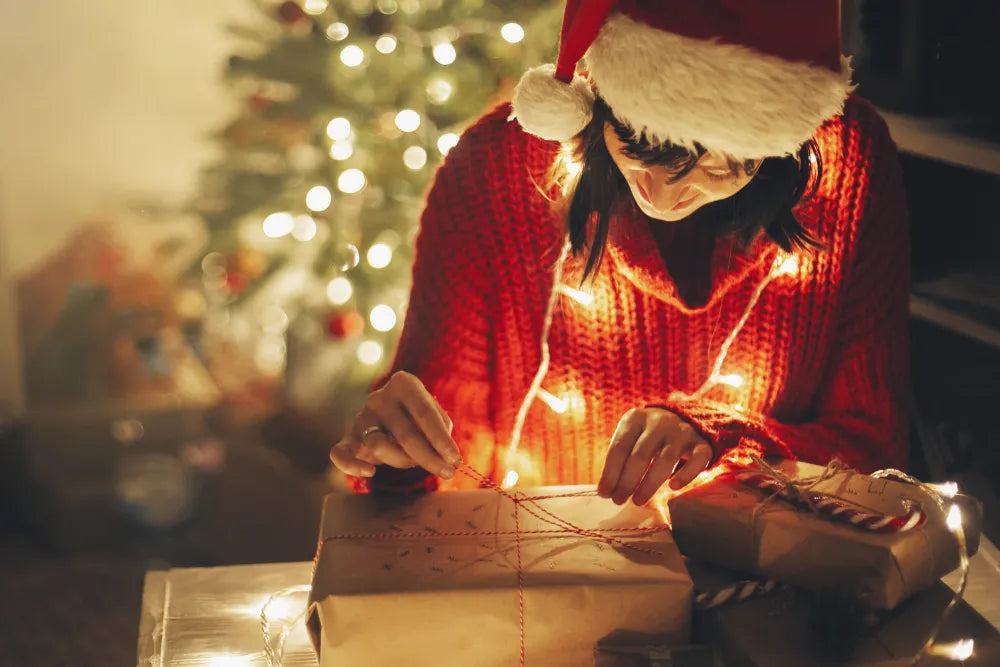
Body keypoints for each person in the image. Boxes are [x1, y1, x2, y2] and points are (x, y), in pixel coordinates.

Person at [329, 0, 909, 506]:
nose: (664, 194)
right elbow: (440, 449)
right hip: (537, 584)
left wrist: (725, 437)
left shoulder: (846, 167)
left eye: (722, 164)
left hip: (763, 589)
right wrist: (398, 458)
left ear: (781, 143)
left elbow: (873, 453)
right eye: (638, 146)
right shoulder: (495, 170)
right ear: (598, 96)